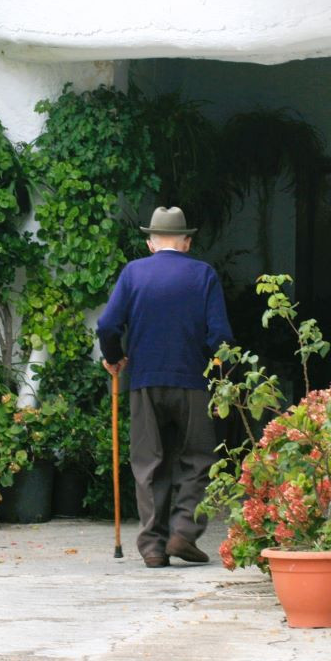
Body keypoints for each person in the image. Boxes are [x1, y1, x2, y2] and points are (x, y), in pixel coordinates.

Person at [96, 206, 233, 568]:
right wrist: (220, 376)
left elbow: (108, 324)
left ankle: (154, 547)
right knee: (199, 458)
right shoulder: (203, 274)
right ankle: (183, 533)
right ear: (186, 242)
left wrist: (114, 356)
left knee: (149, 461)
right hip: (193, 380)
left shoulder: (133, 273)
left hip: (144, 382)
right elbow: (220, 335)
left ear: (151, 243)